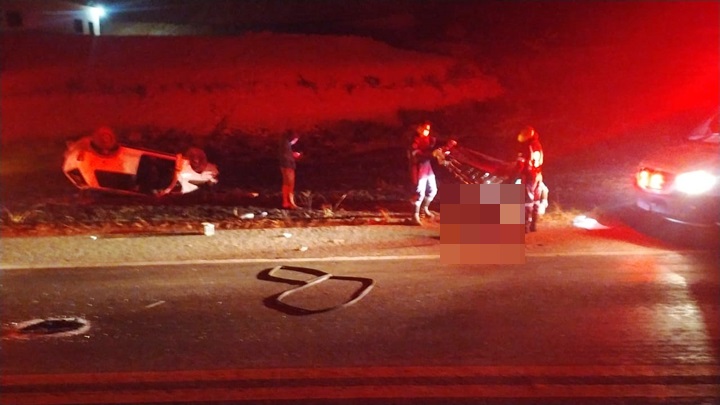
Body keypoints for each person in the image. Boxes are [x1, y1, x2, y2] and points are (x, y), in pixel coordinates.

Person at [516, 125, 547, 232]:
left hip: (529, 175)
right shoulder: (537, 144)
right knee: (536, 199)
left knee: (527, 200)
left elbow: (521, 163)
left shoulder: (528, 146)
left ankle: (525, 226)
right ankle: (533, 225)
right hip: (538, 174)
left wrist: (516, 172)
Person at [409, 121, 438, 225]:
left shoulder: (429, 138)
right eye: (425, 129)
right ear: (419, 128)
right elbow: (416, 154)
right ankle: (415, 216)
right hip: (418, 166)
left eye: (428, 129)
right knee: (419, 191)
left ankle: (424, 209)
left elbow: (431, 149)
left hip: (427, 165)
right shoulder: (414, 140)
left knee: (433, 189)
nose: (427, 131)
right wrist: (431, 154)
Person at [278, 131, 301, 209]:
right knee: (290, 185)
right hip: (288, 166)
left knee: (286, 184)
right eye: (295, 140)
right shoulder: (286, 145)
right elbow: (286, 155)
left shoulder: (284, 144)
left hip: (285, 165)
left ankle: (286, 202)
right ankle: (291, 203)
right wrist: (294, 155)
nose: (295, 142)